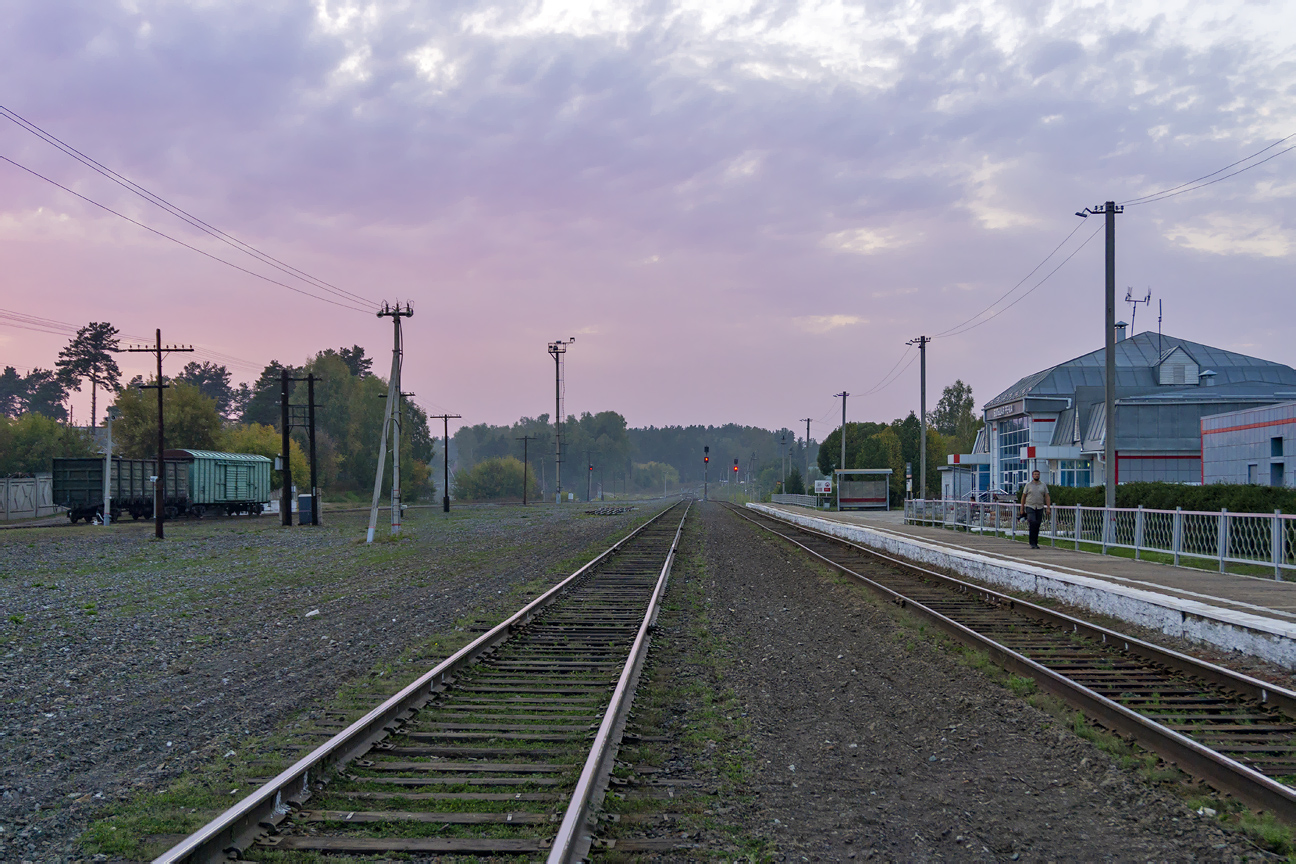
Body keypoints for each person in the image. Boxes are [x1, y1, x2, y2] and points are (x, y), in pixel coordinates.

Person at [1018, 469, 1051, 549]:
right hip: (1030, 506)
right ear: (1032, 476)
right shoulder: (1028, 485)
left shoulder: (1043, 485)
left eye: (1038, 474)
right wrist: (1022, 508)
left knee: (1037, 524)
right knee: (1032, 522)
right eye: (1035, 474)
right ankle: (1032, 542)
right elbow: (1023, 496)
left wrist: (1048, 508)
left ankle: (1035, 542)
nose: (1037, 476)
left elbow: (1047, 496)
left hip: (1039, 507)